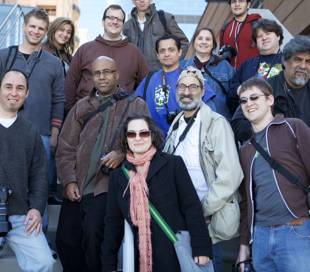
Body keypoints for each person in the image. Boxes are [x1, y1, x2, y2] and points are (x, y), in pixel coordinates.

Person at [56, 56, 149, 272]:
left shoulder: (135, 105)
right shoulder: (81, 107)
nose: (102, 77)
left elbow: (147, 141)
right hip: (78, 184)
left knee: (93, 239)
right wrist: (69, 181)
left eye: (107, 72)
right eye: (97, 73)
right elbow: (65, 146)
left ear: (117, 75)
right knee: (65, 240)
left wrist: (122, 153)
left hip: (106, 187)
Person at [101, 114, 212, 272]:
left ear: (152, 135)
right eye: (132, 134)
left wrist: (201, 248)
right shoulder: (118, 177)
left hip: (174, 253)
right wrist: (109, 265)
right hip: (140, 258)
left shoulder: (173, 164)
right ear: (125, 139)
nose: (138, 138)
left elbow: (192, 208)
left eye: (144, 133)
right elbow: (113, 223)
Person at [164, 66, 244, 272]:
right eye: (182, 86)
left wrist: (202, 209)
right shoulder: (175, 125)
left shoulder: (217, 124)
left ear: (202, 90)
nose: (186, 91)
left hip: (209, 219)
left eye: (193, 86)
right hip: (182, 218)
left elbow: (231, 174)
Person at [237, 77, 310, 272]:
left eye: (254, 97)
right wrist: (244, 245)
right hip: (260, 237)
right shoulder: (245, 150)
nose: (249, 103)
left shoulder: (293, 127)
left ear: (270, 100)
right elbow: (246, 203)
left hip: (296, 231)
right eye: (243, 100)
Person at [0, 8, 65, 208]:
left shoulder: (55, 63)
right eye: (32, 27)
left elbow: (59, 99)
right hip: (5, 129)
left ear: (46, 32)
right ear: (24, 27)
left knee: (40, 182)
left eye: (41, 29)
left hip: (41, 133)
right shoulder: (4, 56)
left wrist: (55, 132)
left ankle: (39, 226)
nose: (36, 31)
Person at [0, 70, 54, 272]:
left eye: (20, 88)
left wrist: (36, 208)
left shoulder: (30, 131)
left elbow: (39, 175)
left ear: (27, 94)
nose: (14, 92)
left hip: (20, 214)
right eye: (8, 86)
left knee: (44, 262)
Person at [232, 35, 310, 143]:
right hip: (278, 157)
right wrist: (269, 127)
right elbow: (238, 125)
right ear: (285, 61)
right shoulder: (262, 88)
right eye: (298, 60)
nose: (303, 66)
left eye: (309, 62)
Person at [65, 4, 149, 111]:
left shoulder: (134, 52)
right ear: (102, 22)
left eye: (119, 19)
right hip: (86, 115)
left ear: (123, 24)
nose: (115, 22)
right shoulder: (85, 49)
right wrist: (72, 114)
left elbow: (146, 86)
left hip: (122, 117)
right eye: (110, 18)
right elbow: (70, 84)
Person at [135, 34, 215, 136]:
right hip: (154, 142)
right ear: (157, 55)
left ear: (180, 52)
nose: (166, 54)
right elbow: (136, 108)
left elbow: (210, 109)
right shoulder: (149, 79)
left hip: (185, 139)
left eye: (171, 50)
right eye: (162, 51)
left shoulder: (191, 76)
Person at [123, 0, 189, 70]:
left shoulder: (165, 18)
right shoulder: (127, 26)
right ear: (133, 1)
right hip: (137, 78)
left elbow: (184, 43)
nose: (142, 0)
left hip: (161, 76)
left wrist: (172, 65)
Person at [228, 19, 284, 114]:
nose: (264, 38)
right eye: (259, 36)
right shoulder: (247, 65)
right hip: (248, 119)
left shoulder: (288, 62)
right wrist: (240, 90)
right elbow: (231, 94)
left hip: (279, 118)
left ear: (278, 36)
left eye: (268, 33)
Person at [183, 27, 234, 118]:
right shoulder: (184, 67)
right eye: (200, 38)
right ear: (194, 43)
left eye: (208, 39)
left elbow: (234, 96)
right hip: (193, 122)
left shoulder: (225, 66)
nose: (204, 42)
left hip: (221, 121)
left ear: (213, 44)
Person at [219, 0, 261, 68]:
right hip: (232, 77)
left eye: (241, 1)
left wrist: (262, 77)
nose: (237, 4)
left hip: (254, 77)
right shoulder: (225, 29)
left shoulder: (258, 23)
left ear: (248, 4)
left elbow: (270, 51)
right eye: (233, 1)